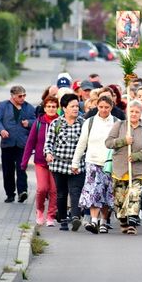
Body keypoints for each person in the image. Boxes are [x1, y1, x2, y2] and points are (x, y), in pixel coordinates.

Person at [106, 100, 142, 235]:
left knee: (135, 195)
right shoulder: (120, 125)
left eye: (137, 112)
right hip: (120, 169)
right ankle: (123, 221)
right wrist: (123, 141)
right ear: (127, 112)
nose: (134, 114)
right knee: (120, 200)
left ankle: (132, 222)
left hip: (138, 170)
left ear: (141, 114)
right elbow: (108, 143)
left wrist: (138, 155)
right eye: (131, 111)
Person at [73, 96, 116, 234]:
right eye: (101, 107)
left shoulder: (117, 123)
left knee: (106, 193)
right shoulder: (89, 122)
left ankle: (104, 221)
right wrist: (75, 162)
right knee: (93, 192)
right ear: (97, 106)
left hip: (109, 163)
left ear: (111, 107)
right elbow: (82, 143)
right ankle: (93, 221)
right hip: (92, 161)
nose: (103, 110)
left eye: (106, 107)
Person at [44, 93, 85, 231]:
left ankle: (75, 217)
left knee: (75, 191)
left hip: (77, 165)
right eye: (72, 106)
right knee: (61, 193)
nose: (75, 109)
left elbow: (87, 144)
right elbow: (48, 143)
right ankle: (62, 219)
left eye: (77, 106)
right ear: (64, 108)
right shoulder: (56, 123)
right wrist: (48, 153)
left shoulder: (83, 123)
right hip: (59, 165)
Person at [21, 96, 59, 226]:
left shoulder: (61, 123)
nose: (51, 109)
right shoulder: (38, 122)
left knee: (54, 190)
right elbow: (30, 143)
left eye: (54, 106)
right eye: (48, 106)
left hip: (56, 163)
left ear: (57, 108)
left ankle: (50, 216)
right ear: (44, 107)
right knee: (42, 188)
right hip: (40, 161)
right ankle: (40, 210)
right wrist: (24, 162)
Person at [0, 85, 36, 203]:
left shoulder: (29, 107)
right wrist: (1, 130)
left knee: (21, 168)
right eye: (20, 96)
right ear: (12, 96)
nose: (23, 98)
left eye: (24, 95)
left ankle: (22, 192)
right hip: (8, 143)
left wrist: (29, 123)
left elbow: (36, 121)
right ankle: (10, 193)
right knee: (8, 170)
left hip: (22, 143)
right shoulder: (3, 105)